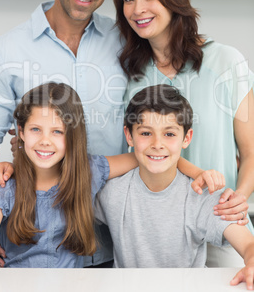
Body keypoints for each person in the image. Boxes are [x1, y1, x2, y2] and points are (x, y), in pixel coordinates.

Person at [0, 0, 220, 267]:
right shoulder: (6, 51)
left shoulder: (126, 41)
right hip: (31, 242)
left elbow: (164, 95)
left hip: (113, 239)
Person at [113, 0, 254, 267]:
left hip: (224, 222)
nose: (138, 9)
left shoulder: (227, 62)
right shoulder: (132, 77)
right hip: (161, 236)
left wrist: (238, 198)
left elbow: (251, 152)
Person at [95, 84, 254, 290]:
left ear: (186, 138)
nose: (157, 144)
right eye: (145, 133)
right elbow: (69, 208)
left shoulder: (202, 195)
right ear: (129, 135)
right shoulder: (112, 192)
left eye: (169, 134)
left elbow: (249, 245)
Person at [0, 82, 140, 267]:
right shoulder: (3, 187)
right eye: (36, 129)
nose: (45, 141)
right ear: (22, 132)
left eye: (57, 132)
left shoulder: (88, 171)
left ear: (72, 136)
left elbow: (147, 155)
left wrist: (185, 168)